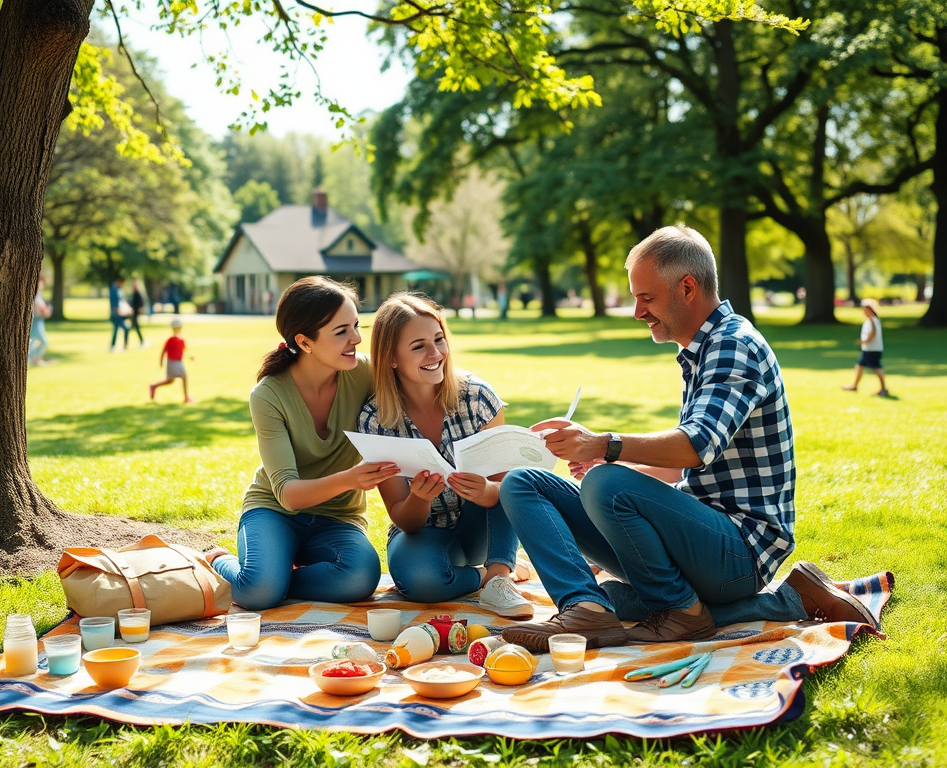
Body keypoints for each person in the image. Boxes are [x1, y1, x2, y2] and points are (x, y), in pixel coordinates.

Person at [497, 224, 880, 652]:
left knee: (608, 496)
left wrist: (604, 445)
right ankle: (586, 607)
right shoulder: (703, 349)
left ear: (687, 287)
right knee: (524, 483)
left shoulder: (734, 345)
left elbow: (697, 445)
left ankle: (696, 609)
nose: (637, 312)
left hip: (740, 551)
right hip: (699, 533)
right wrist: (613, 463)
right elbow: (687, 465)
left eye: (646, 297)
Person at [207, 277, 401, 610]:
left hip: (337, 517)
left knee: (359, 577)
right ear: (305, 342)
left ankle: (277, 579)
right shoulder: (268, 395)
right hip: (274, 511)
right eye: (341, 332)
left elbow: (420, 380)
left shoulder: (365, 373)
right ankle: (217, 560)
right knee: (257, 593)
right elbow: (288, 494)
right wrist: (351, 479)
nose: (356, 338)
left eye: (356, 325)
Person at [358, 293, 533, 618]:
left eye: (439, 340)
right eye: (418, 346)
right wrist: (419, 498)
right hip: (424, 533)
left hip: (481, 526)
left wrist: (486, 491)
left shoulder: (478, 397)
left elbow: (508, 490)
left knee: (516, 480)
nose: (435, 353)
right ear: (392, 358)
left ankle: (499, 579)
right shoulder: (376, 419)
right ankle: (484, 576)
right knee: (420, 583)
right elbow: (403, 519)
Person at [842, 298, 888, 396]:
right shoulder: (871, 320)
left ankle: (883, 388)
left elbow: (873, 332)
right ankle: (854, 385)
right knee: (859, 366)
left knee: (876, 368)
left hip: (872, 349)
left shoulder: (873, 320)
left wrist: (865, 341)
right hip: (867, 348)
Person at [150, 319, 192, 403]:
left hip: (179, 362)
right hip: (172, 362)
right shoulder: (170, 340)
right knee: (184, 377)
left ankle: (154, 386)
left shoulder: (181, 339)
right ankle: (186, 397)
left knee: (170, 381)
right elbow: (164, 351)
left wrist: (191, 356)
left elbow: (185, 349)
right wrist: (161, 361)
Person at [28, 276, 52, 366]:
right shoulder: (35, 296)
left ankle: (33, 359)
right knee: (41, 341)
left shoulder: (38, 296)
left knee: (33, 342)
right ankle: (32, 359)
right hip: (35, 322)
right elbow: (40, 311)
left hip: (39, 321)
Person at [108, 276, 130, 351]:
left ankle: (118, 345)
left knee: (119, 329)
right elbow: (114, 302)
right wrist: (117, 309)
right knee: (121, 329)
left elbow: (122, 301)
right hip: (116, 314)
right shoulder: (114, 289)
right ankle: (115, 345)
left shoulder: (119, 290)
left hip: (121, 313)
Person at [129, 279, 146, 348]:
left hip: (136, 313)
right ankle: (126, 343)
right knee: (133, 327)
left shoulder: (138, 293)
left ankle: (142, 341)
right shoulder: (134, 293)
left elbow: (141, 303)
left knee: (135, 327)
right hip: (133, 313)